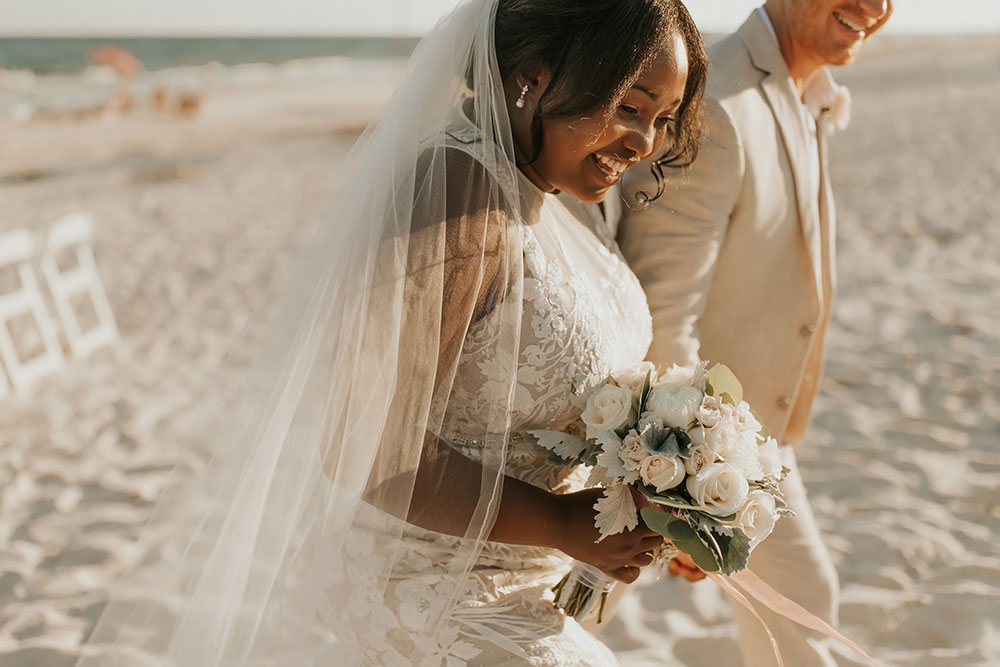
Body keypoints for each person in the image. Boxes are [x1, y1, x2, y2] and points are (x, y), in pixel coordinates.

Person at [79, 1, 707, 665]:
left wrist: (663, 505)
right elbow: (366, 438)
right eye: (631, 107)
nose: (645, 142)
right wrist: (561, 523)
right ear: (534, 74)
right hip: (428, 585)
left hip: (536, 583)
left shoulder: (564, 198)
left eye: (663, 120)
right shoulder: (461, 190)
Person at [618, 1, 893, 665]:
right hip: (716, 447)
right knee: (803, 614)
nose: (874, 7)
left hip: (764, 440)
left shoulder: (806, 92)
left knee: (803, 610)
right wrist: (690, 491)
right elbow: (663, 311)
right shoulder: (721, 103)